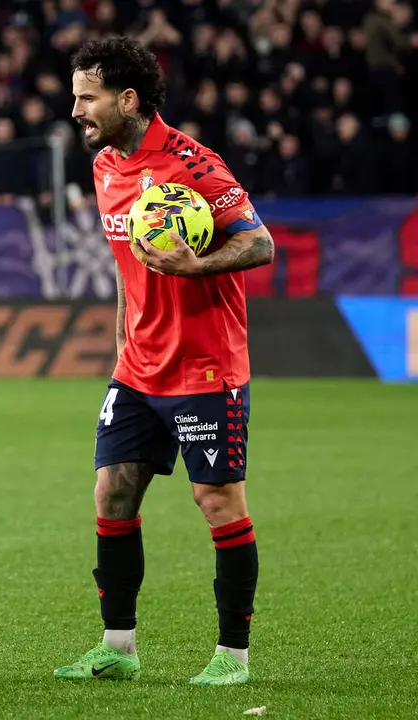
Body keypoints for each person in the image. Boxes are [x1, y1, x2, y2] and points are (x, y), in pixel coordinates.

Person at [55, 37, 275, 687]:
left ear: (127, 99)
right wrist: (125, 340)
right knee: (112, 490)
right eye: (74, 97)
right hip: (139, 370)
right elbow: (128, 269)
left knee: (217, 501)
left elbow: (259, 244)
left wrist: (197, 264)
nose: (76, 111)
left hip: (207, 368)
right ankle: (118, 648)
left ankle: (232, 656)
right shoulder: (103, 167)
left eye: (86, 98)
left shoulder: (195, 166)